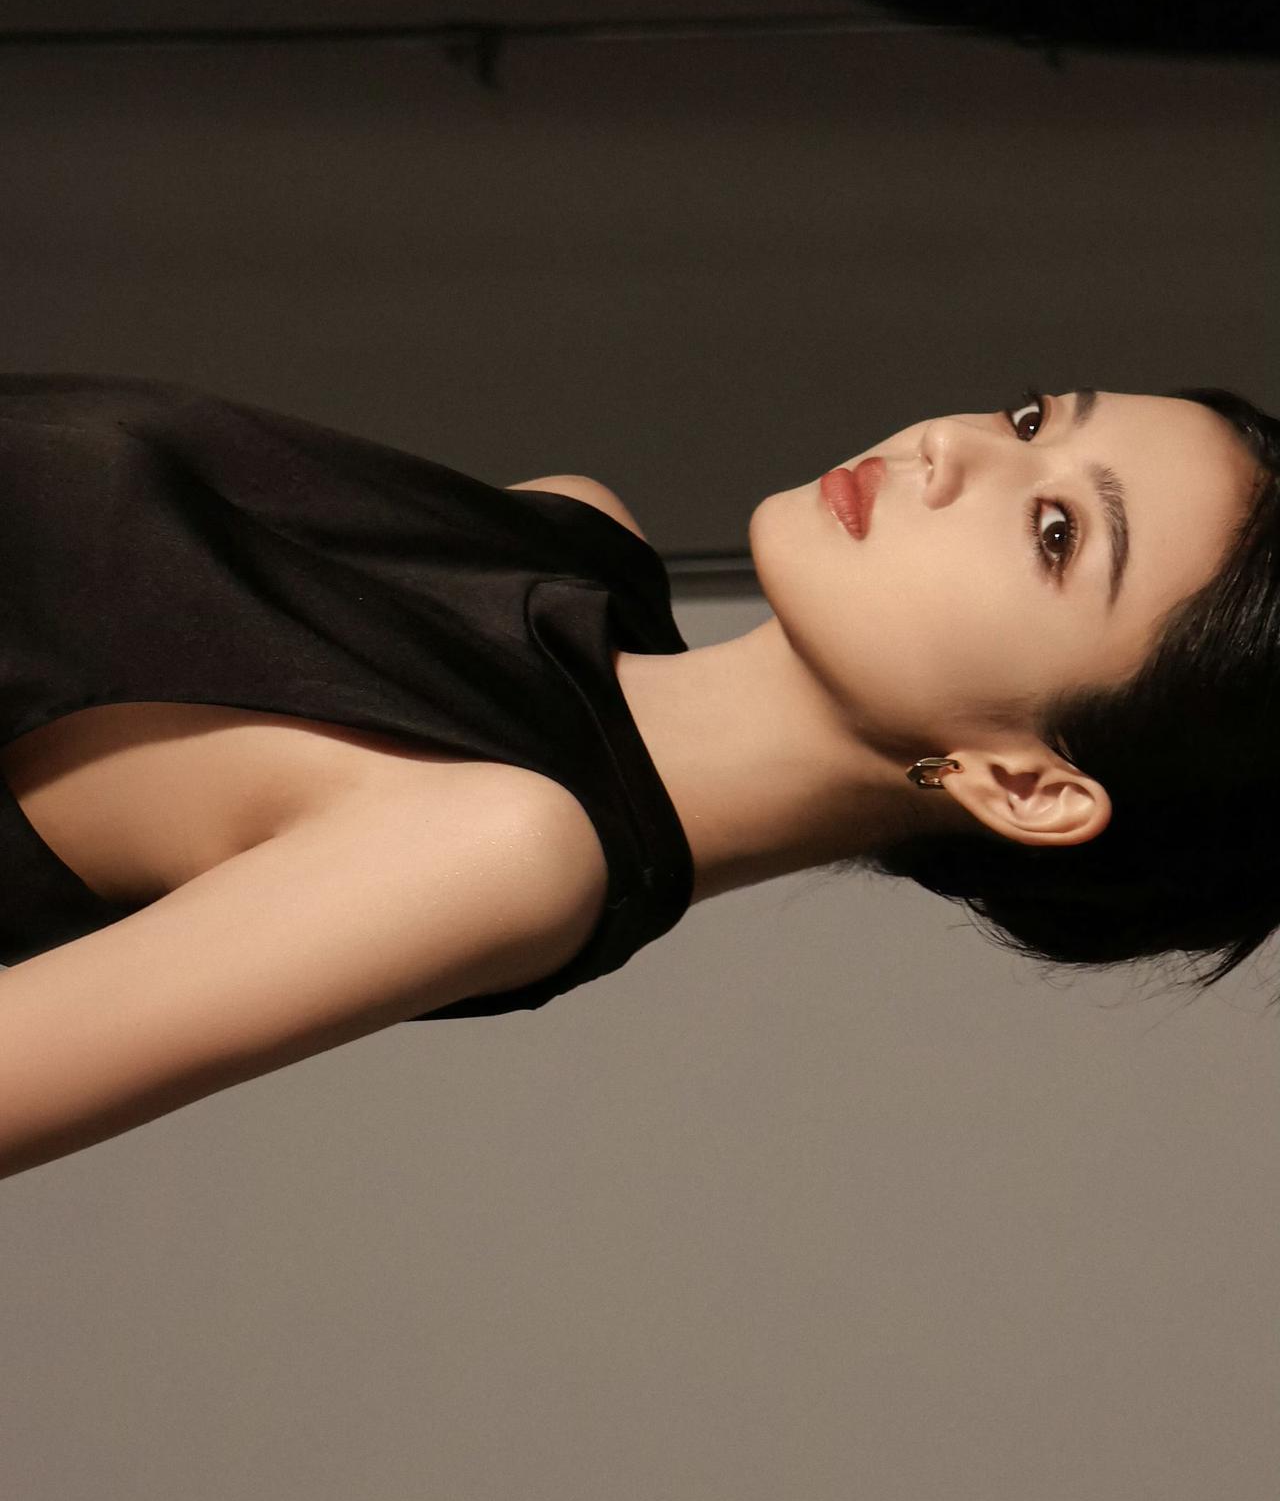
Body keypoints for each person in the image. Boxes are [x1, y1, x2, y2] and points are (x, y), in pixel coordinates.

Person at [0, 376, 1275, 1180]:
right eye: (1031, 420)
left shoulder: (504, 852)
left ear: (1026, 786)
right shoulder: (569, 537)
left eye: (1054, 532)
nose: (953, 448)